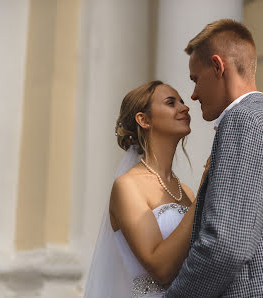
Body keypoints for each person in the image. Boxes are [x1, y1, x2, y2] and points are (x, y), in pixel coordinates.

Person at [164, 19, 263, 297]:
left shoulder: (243, 122)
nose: (194, 93)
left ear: (217, 66)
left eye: (195, 79)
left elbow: (224, 245)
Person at [84, 80, 196, 298]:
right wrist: (203, 195)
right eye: (171, 103)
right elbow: (161, 268)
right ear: (143, 120)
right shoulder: (127, 186)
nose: (185, 107)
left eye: (182, 102)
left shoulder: (187, 192)